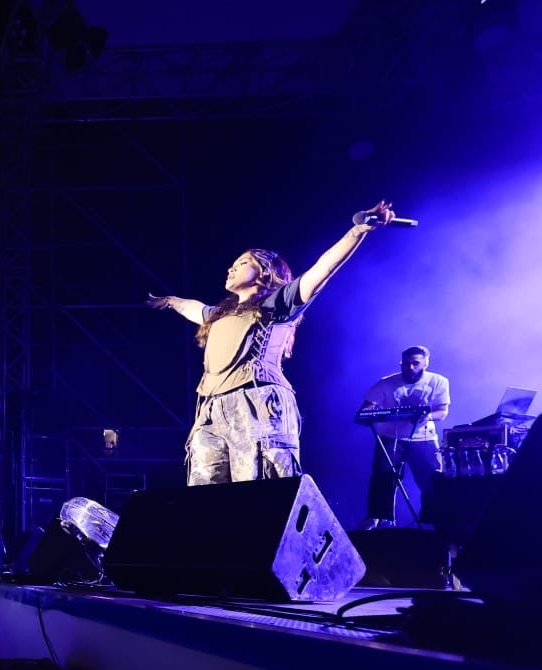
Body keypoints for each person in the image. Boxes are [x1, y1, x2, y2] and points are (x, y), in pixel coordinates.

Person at [147, 200, 397, 485]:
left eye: (241, 263)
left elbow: (322, 270)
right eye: (231, 265)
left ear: (264, 271)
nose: (230, 269)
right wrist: (170, 301)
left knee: (258, 487)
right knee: (205, 488)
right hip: (211, 409)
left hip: (257, 402)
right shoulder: (219, 315)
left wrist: (357, 231)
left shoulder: (276, 304)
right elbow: (194, 308)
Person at [357, 345, 451, 530]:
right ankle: (378, 518)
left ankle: (435, 521)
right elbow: (366, 408)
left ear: (425, 363)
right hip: (391, 437)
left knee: (431, 480)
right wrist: (369, 413)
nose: (410, 368)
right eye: (406, 364)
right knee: (383, 476)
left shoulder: (438, 381)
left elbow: (442, 412)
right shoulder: (386, 383)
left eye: (415, 363)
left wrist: (428, 416)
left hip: (423, 438)